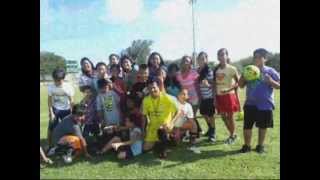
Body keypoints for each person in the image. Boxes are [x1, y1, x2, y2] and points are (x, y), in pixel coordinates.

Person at [239, 48, 280, 154]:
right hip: (250, 103)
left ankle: (260, 146)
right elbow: (241, 85)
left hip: (265, 105)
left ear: (265, 59)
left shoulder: (270, 71)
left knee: (263, 126)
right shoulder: (248, 69)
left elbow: (279, 86)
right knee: (247, 126)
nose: (256, 59)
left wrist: (270, 81)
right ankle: (247, 146)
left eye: (259, 57)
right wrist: (243, 77)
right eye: (255, 57)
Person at [142, 78, 179, 158]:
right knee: (145, 149)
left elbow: (179, 111)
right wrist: (143, 130)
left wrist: (172, 123)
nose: (152, 90)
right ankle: (167, 141)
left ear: (158, 87)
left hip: (165, 126)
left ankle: (164, 149)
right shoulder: (146, 100)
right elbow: (144, 116)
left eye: (154, 87)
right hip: (153, 127)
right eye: (149, 88)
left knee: (162, 129)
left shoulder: (168, 98)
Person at [214, 48, 240, 145]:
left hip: (229, 95)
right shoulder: (216, 69)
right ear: (217, 57)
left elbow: (238, 83)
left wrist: (228, 90)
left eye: (223, 54)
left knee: (230, 117)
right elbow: (214, 84)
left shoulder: (232, 69)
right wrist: (214, 97)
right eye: (219, 55)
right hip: (219, 96)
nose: (221, 57)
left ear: (227, 56)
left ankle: (232, 135)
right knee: (223, 117)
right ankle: (233, 134)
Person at [47, 68, 74, 147]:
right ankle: (50, 145)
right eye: (55, 80)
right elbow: (49, 101)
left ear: (63, 79)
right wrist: (51, 113)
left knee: (67, 128)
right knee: (51, 127)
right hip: (55, 109)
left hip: (66, 110)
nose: (57, 82)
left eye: (59, 80)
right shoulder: (51, 87)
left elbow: (72, 101)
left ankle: (68, 144)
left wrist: (72, 113)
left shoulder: (68, 87)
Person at [176, 55, 202, 136]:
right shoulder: (178, 74)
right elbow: (180, 87)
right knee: (188, 117)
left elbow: (197, 86)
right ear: (181, 63)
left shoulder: (194, 73)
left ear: (190, 63)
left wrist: (200, 97)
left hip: (194, 98)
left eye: (187, 61)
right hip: (185, 99)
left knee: (191, 116)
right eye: (184, 61)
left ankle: (193, 135)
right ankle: (196, 132)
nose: (185, 62)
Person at [170, 88, 200, 154]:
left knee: (194, 124)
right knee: (175, 144)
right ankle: (174, 138)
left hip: (181, 126)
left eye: (186, 94)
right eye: (183, 94)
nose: (184, 95)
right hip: (171, 126)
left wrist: (181, 130)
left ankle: (192, 142)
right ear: (178, 95)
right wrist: (175, 129)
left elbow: (191, 120)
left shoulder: (188, 106)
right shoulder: (173, 103)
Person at [197, 52, 216, 143]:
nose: (201, 60)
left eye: (203, 58)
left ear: (206, 60)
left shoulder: (209, 71)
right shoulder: (197, 71)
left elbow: (213, 84)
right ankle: (210, 129)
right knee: (203, 113)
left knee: (211, 115)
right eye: (199, 59)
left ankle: (213, 133)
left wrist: (208, 85)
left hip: (209, 97)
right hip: (201, 97)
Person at [96, 78, 122, 144]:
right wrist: (102, 120)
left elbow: (119, 104)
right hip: (107, 119)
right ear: (99, 88)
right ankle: (110, 145)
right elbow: (99, 110)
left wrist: (121, 115)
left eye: (105, 87)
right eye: (102, 88)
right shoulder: (99, 97)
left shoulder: (113, 93)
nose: (104, 89)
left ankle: (118, 144)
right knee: (109, 132)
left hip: (117, 118)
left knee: (118, 131)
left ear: (108, 86)